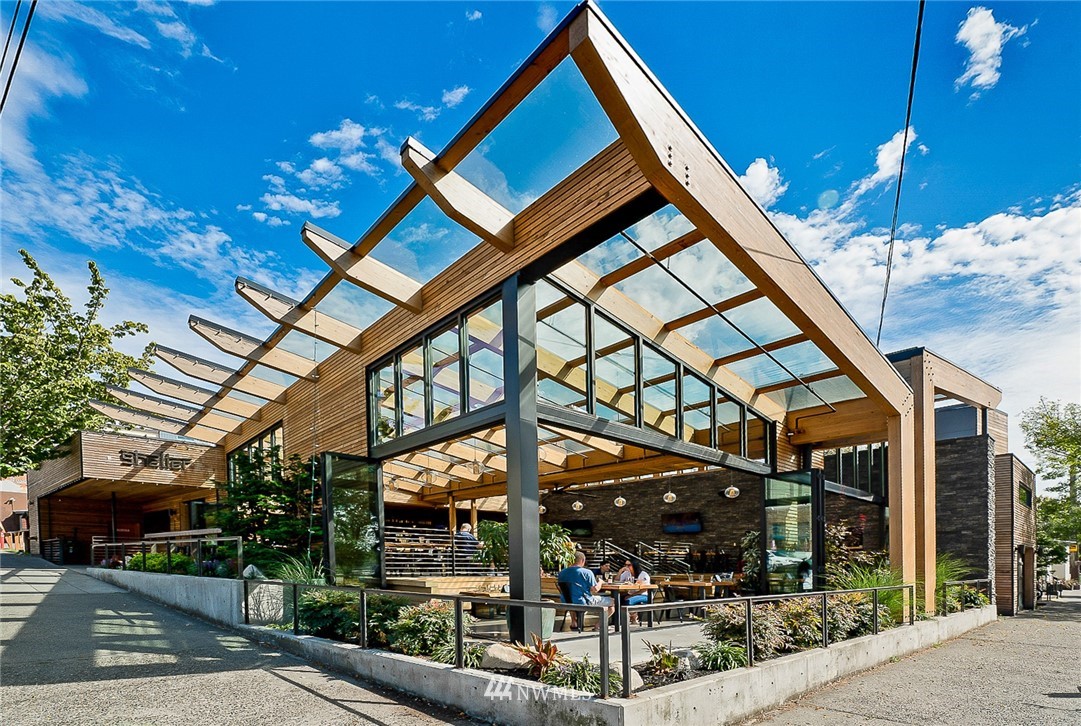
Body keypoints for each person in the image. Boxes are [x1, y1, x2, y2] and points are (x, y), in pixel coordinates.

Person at [558, 550, 614, 629]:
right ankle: (598, 625)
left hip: (566, 601)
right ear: (582, 560)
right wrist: (601, 582)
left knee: (572, 597)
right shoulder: (587, 572)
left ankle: (574, 622)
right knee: (613, 602)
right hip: (583, 601)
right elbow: (595, 589)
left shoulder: (562, 573)